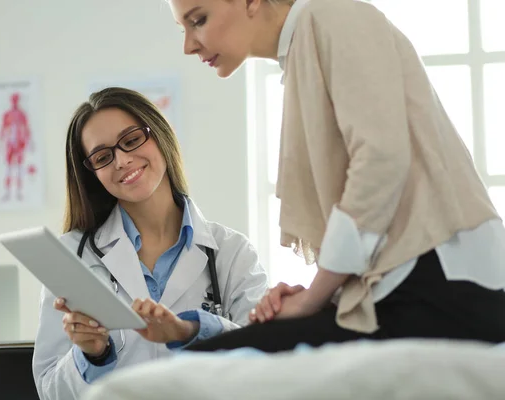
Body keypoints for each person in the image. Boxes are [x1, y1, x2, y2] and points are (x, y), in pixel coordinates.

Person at [168, 0, 505, 352]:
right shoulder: (303, 51)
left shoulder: (332, 15)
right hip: (403, 287)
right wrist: (327, 294)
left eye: (198, 20)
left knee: (206, 361)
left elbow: (380, 160)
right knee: (214, 357)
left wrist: (316, 297)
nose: (189, 46)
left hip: (444, 284)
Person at [32, 87, 268, 399]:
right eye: (103, 157)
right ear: (93, 174)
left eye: (131, 140)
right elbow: (50, 391)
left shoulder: (232, 253)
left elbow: (264, 366)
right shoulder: (71, 256)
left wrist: (195, 331)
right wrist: (91, 356)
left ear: (158, 134)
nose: (122, 160)